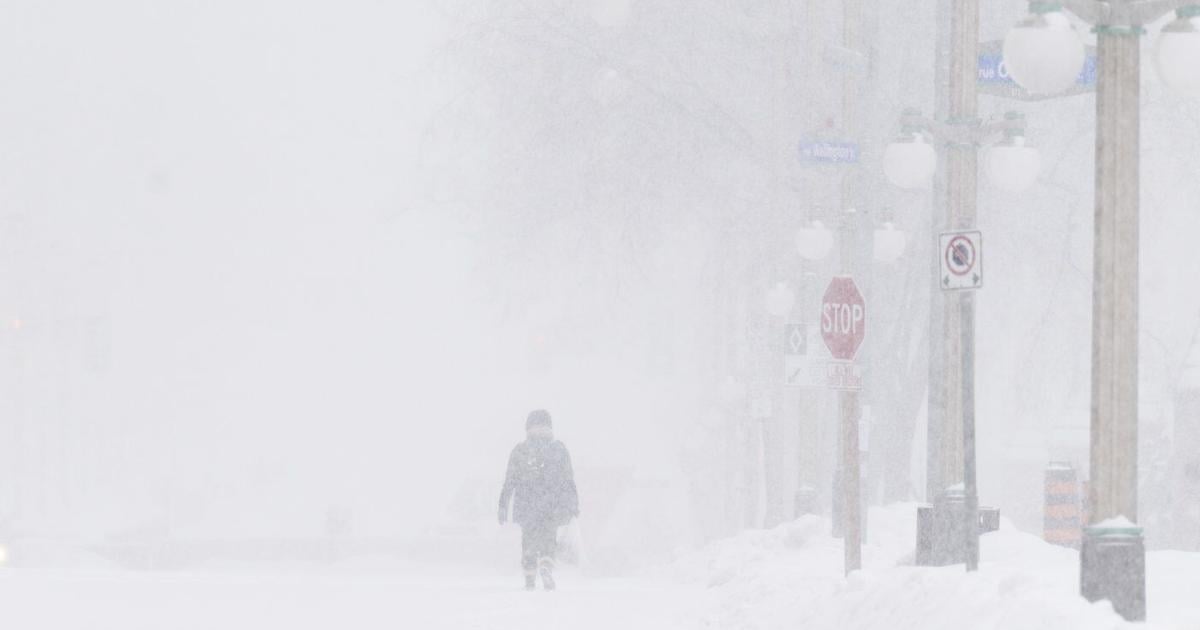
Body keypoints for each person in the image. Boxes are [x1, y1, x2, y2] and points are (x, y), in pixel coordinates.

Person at [498, 409, 579, 591]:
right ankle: (546, 565)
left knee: (528, 539)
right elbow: (568, 479)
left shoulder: (520, 450)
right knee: (549, 538)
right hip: (551, 504)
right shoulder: (558, 449)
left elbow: (509, 481)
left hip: (526, 505)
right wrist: (573, 503)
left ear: (528, 427)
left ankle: (529, 575)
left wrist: (503, 505)